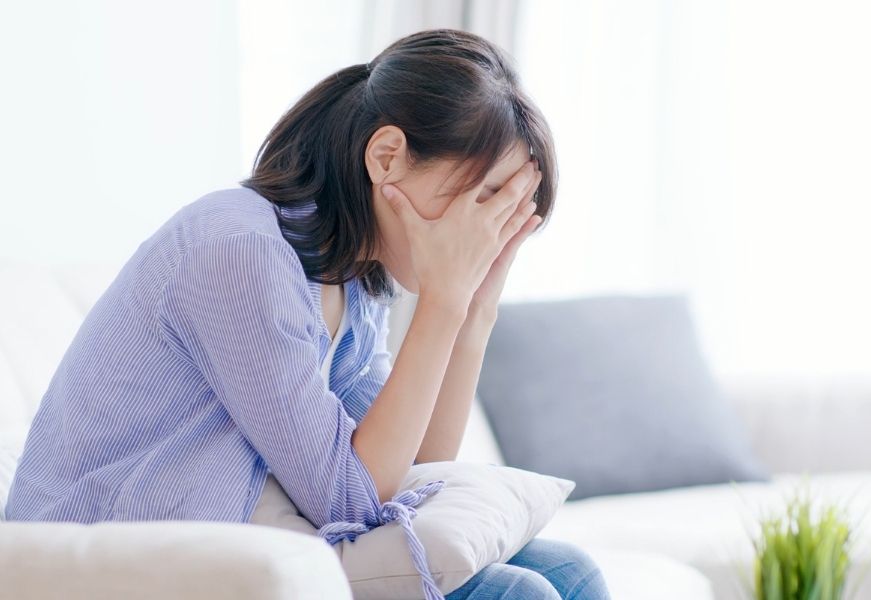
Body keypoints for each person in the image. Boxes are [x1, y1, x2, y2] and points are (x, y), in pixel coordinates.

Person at [5, 28, 610, 599]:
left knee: (566, 569)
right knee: (518, 592)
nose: (483, 230)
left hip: (236, 547)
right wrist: (444, 303)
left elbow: (415, 470)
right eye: (481, 199)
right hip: (120, 562)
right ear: (388, 156)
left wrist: (474, 312)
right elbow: (349, 500)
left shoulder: (353, 280)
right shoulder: (238, 249)